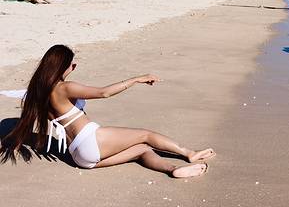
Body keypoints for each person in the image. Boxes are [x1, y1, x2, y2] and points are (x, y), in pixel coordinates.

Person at [0, 45, 213, 177]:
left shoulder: (37, 95)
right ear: (62, 66)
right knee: (146, 135)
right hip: (91, 140)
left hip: (78, 157)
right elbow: (104, 93)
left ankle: (172, 169)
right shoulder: (64, 87)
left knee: (142, 150)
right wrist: (137, 79)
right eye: (72, 65)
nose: (73, 68)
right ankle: (189, 153)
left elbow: (27, 129)